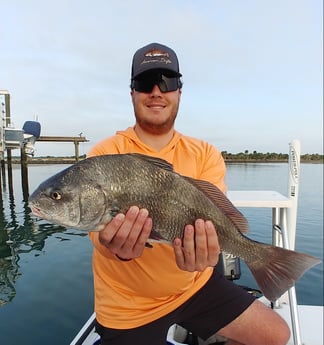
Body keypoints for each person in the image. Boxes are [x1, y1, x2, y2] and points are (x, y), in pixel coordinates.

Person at [87, 42, 290, 345]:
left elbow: (216, 217)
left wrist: (210, 255)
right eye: (145, 83)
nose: (156, 91)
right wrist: (114, 248)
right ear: (132, 93)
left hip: (196, 285)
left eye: (167, 82)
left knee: (276, 335)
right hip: (129, 304)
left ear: (179, 92)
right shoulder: (106, 153)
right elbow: (97, 234)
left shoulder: (204, 153)